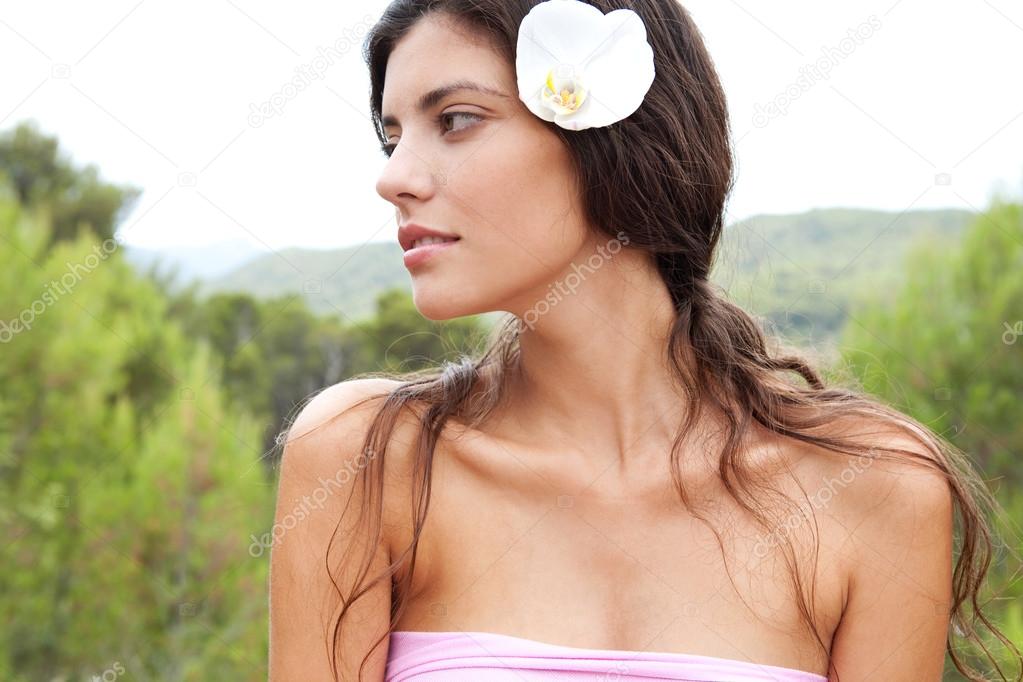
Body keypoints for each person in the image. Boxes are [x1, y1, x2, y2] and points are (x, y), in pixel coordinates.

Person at [268, 1, 1018, 680]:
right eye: (391, 136)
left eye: (457, 119)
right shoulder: (367, 460)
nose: (393, 178)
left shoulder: (871, 490)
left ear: (618, 134)